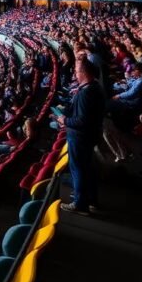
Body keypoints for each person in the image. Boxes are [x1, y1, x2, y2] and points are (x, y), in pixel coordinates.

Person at [59, 57, 107, 214]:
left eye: (77, 71)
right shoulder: (93, 88)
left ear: (84, 72)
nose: (74, 73)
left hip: (80, 137)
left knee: (78, 169)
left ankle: (79, 203)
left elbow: (82, 120)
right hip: (88, 135)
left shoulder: (86, 93)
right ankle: (91, 200)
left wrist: (65, 120)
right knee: (88, 168)